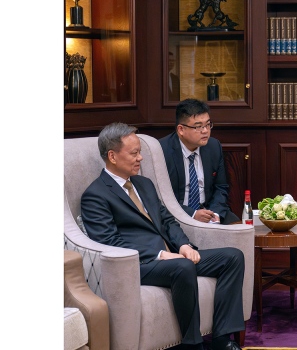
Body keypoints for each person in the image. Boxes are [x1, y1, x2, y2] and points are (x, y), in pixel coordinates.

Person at [81, 122, 245, 350]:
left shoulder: (144, 184)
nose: (140, 158)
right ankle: (193, 344)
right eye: (134, 153)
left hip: (171, 258)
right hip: (139, 264)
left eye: (140, 152)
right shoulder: (95, 196)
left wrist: (185, 246)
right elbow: (109, 243)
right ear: (113, 156)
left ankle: (222, 339)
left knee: (232, 257)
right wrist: (160, 255)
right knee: (183, 268)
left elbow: (168, 221)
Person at [160, 98, 240, 225]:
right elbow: (161, 197)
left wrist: (215, 213)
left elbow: (221, 187)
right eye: (198, 127)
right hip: (176, 215)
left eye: (208, 125)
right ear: (181, 129)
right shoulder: (162, 151)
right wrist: (192, 214)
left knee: (241, 231)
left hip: (208, 210)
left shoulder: (213, 146)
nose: (205, 131)